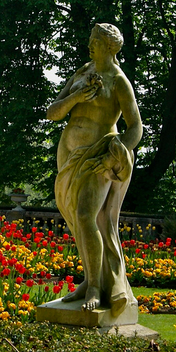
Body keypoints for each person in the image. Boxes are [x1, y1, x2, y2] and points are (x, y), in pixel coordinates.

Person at [47, 23, 142, 314]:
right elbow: (53, 113)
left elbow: (135, 127)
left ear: (110, 47)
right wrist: (77, 97)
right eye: (90, 40)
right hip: (70, 156)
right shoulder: (82, 73)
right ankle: (91, 278)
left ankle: (95, 289)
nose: (90, 45)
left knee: (87, 216)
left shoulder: (118, 81)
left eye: (96, 42)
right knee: (79, 219)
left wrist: (116, 155)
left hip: (99, 155)